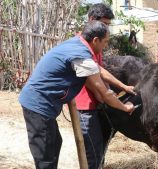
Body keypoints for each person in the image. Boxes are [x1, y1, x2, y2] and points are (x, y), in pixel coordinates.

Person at [19, 20, 135, 169]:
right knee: (46, 154)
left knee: (55, 143)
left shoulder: (77, 43)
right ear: (95, 40)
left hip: (42, 102)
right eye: (105, 42)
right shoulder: (81, 56)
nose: (106, 46)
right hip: (38, 104)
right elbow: (104, 94)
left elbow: (98, 70)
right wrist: (125, 108)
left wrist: (122, 86)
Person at [75, 3, 136, 169]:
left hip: (95, 104)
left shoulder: (95, 44)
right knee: (93, 155)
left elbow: (100, 69)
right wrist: (122, 106)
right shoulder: (81, 48)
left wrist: (122, 86)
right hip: (84, 107)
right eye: (104, 24)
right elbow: (100, 89)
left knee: (99, 149)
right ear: (91, 20)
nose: (106, 29)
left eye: (108, 25)